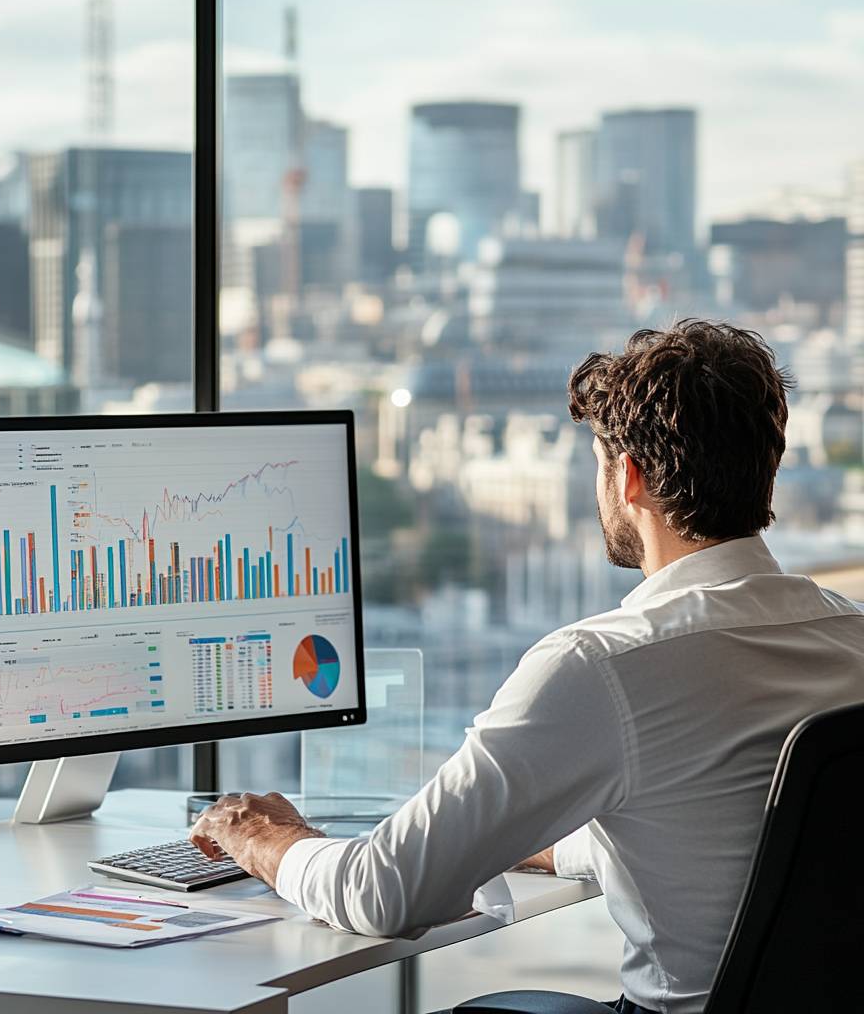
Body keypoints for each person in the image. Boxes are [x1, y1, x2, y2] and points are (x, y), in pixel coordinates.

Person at [191, 320, 864, 1014]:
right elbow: (740, 837)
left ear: (627, 477)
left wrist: (264, 836)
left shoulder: (602, 667)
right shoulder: (851, 635)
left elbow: (381, 892)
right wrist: (543, 840)